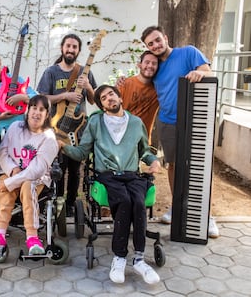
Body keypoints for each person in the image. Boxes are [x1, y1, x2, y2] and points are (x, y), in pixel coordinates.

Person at [58, 85, 161, 284]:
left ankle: (139, 259)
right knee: (124, 201)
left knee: (138, 202)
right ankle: (120, 258)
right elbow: (82, 152)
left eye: (111, 94)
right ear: (102, 105)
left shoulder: (136, 123)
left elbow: (145, 151)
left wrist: (153, 161)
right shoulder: (96, 122)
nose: (109, 99)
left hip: (132, 175)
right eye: (104, 98)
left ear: (120, 97)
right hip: (107, 176)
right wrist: (64, 147)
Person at [140, 25, 219, 238]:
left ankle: (207, 216)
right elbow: (142, 81)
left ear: (165, 37)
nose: (155, 45)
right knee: (173, 166)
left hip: (194, 120)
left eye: (157, 40)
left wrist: (198, 72)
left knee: (200, 167)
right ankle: (177, 209)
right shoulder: (155, 66)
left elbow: (208, 72)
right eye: (150, 44)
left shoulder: (189, 53)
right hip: (167, 122)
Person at [0, 95, 59, 256]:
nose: (36, 113)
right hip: (10, 171)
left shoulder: (49, 138)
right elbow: (2, 151)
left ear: (47, 114)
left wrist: (11, 182)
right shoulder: (15, 127)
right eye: (34, 108)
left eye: (41, 110)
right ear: (27, 111)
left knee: (27, 186)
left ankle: (32, 237)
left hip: (36, 178)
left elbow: (36, 170)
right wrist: (13, 170)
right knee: (5, 193)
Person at [36, 33, 97, 216]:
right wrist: (65, 96)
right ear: (62, 48)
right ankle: (57, 201)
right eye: (68, 46)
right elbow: (42, 98)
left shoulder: (84, 72)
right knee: (58, 167)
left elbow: (94, 101)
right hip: (56, 128)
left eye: (74, 47)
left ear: (78, 50)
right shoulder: (51, 72)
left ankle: (70, 204)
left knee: (75, 169)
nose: (71, 49)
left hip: (78, 130)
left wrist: (87, 86)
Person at [0, 51, 37, 138]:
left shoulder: (16, 80)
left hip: (19, 131)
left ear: (0, 63)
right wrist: (0, 117)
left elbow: (37, 99)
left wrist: (22, 97)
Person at [118, 50, 159, 145]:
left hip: (142, 141)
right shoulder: (125, 84)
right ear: (139, 65)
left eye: (154, 63)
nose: (150, 66)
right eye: (147, 62)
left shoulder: (159, 89)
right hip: (121, 140)